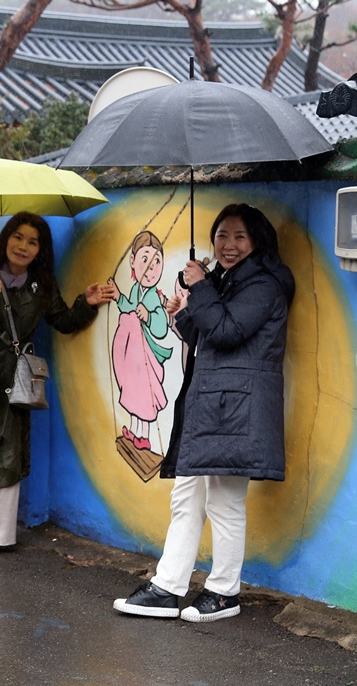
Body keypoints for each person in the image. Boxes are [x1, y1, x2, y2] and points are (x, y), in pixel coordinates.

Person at [114, 203, 294, 622]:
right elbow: (206, 334)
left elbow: (230, 331)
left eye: (239, 237)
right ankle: (167, 586)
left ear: (257, 242)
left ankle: (224, 591)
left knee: (226, 502)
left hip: (238, 409)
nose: (228, 246)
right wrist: (182, 314)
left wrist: (203, 287)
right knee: (186, 497)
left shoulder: (265, 286)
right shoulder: (224, 282)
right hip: (211, 404)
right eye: (222, 236)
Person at [0, 212, 116, 557]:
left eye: (33, 242)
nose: (24, 246)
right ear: (6, 239)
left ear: (40, 250)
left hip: (16, 378)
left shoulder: (42, 284)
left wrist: (86, 303)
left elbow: (62, 320)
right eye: (18, 237)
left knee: (8, 455)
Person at [109, 231, 172, 451]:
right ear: (132, 261)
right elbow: (129, 309)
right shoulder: (136, 289)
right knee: (133, 392)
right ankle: (134, 431)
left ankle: (144, 436)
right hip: (133, 357)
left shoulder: (154, 296)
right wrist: (118, 296)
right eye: (145, 259)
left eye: (157, 261)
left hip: (146, 358)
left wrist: (148, 316)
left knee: (144, 395)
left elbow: (161, 327)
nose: (151, 267)